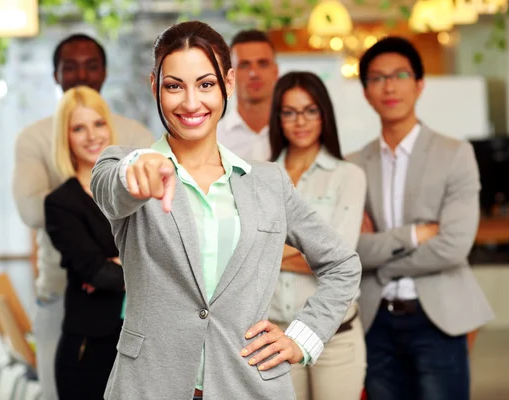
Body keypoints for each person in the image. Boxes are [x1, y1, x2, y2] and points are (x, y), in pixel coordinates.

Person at [91, 21, 361, 400]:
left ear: (228, 84)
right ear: (154, 86)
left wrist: (302, 338)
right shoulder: (123, 165)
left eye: (206, 84)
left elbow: (343, 265)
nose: (190, 103)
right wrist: (137, 166)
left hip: (250, 386)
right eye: (174, 86)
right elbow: (111, 188)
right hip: (148, 385)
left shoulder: (268, 183)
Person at [348, 36, 494, 400]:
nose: (389, 85)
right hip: (375, 319)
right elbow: (351, 249)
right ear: (366, 92)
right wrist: (414, 236)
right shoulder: (352, 166)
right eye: (377, 78)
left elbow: (454, 247)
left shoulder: (455, 154)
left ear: (419, 84)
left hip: (438, 320)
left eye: (399, 74)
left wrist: (383, 265)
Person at [11, 34, 153, 400]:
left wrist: (116, 264)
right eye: (70, 66)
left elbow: (161, 226)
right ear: (55, 74)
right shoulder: (39, 148)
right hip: (67, 301)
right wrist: (117, 261)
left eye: (91, 64)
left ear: (105, 71)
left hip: (139, 312)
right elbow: (32, 210)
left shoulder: (135, 134)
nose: (81, 74)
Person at [268, 71, 367, 400]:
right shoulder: (260, 176)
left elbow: (339, 259)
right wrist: (308, 255)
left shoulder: (348, 176)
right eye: (290, 111)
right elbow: (240, 254)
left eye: (311, 110)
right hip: (274, 336)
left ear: (324, 114)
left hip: (335, 339)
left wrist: (267, 252)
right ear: (278, 117)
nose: (300, 121)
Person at [44, 86, 125, 399]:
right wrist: (137, 268)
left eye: (98, 124)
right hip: (90, 351)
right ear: (65, 138)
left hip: (143, 344)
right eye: (79, 128)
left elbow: (170, 256)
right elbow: (96, 273)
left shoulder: (133, 188)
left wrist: (117, 268)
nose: (92, 136)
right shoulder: (61, 203)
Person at [217, 29, 279, 161]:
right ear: (228, 76)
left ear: (276, 71)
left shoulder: (294, 134)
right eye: (244, 65)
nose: (254, 73)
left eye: (263, 64)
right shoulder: (214, 140)